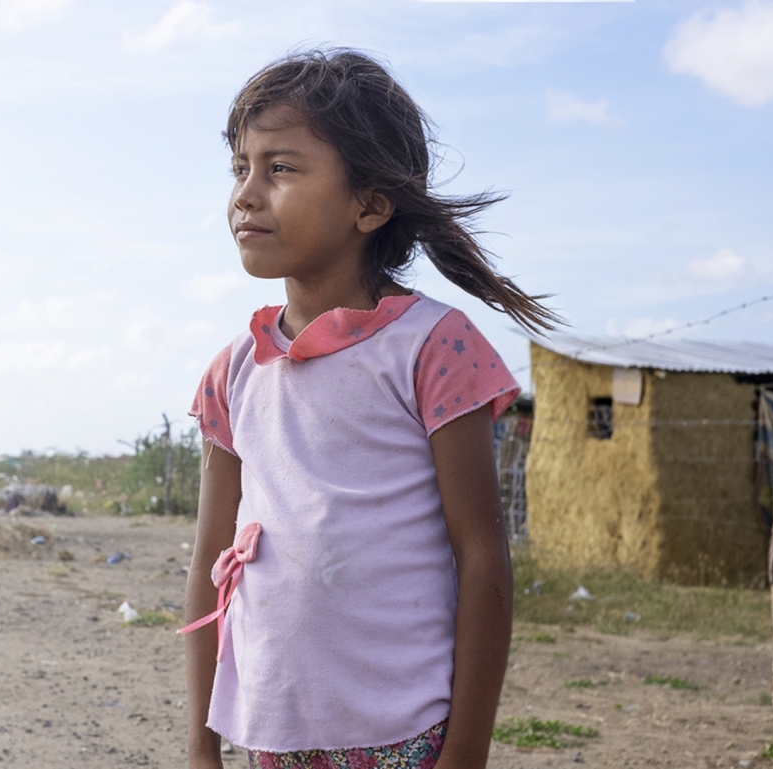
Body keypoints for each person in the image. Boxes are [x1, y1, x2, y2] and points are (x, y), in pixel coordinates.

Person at [181, 48, 560, 769]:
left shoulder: (432, 347)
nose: (247, 194)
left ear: (371, 203)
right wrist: (202, 745)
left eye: (281, 168)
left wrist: (465, 754)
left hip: (403, 737)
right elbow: (208, 564)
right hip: (270, 734)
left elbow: (482, 555)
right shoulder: (233, 372)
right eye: (241, 168)